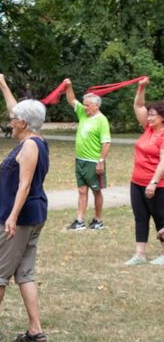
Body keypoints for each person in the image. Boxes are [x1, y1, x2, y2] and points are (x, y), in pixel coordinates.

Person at [0, 73, 49, 342]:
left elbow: (24, 186)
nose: (10, 121)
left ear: (24, 124)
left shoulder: (28, 146)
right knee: (25, 273)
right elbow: (16, 109)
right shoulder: (36, 138)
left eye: (13, 119)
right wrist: (3, 85)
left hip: (21, 218)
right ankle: (35, 330)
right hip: (35, 215)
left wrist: (12, 218)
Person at [124, 77, 164, 265]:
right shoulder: (148, 129)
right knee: (140, 217)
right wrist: (141, 87)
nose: (148, 117)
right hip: (137, 181)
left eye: (152, 115)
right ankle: (140, 254)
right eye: (148, 115)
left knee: (160, 217)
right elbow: (138, 105)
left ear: (162, 117)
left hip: (157, 184)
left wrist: (153, 183)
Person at [63, 79, 111, 230]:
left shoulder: (102, 120)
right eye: (84, 104)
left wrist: (101, 161)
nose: (85, 107)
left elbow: (106, 143)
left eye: (87, 105)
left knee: (96, 191)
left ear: (96, 106)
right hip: (80, 161)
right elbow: (71, 99)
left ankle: (98, 220)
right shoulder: (83, 114)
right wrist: (69, 86)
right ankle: (80, 221)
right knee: (82, 190)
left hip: (93, 162)